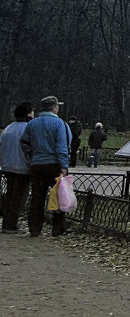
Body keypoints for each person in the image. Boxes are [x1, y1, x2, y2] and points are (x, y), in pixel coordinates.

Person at [20, 96, 71, 237]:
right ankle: (57, 229)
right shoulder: (59, 123)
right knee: (59, 196)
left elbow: (24, 143)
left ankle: (35, 229)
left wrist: (32, 156)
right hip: (54, 165)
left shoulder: (32, 123)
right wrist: (64, 165)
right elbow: (62, 146)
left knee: (37, 197)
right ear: (54, 108)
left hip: (37, 164)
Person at [1, 102, 34, 234]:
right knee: (19, 198)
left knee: (10, 196)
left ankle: (6, 222)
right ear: (28, 114)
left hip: (8, 167)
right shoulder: (28, 129)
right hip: (22, 167)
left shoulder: (8, 128)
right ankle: (11, 224)